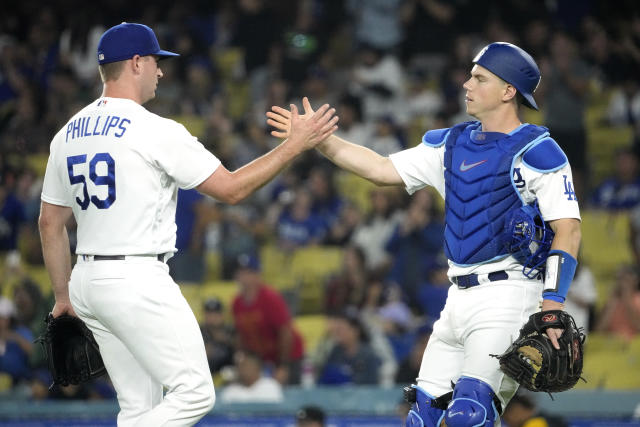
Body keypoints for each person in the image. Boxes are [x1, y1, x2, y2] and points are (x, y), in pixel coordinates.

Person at [38, 22, 338, 426]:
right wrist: (293, 147)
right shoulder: (155, 129)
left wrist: (62, 296)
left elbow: (49, 223)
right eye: (157, 62)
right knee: (195, 393)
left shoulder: (66, 134)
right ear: (137, 63)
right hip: (136, 277)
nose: (161, 71)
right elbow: (231, 190)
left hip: (87, 281)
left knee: (139, 411)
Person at [267, 42, 581, 427]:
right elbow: (381, 169)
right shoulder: (450, 143)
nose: (466, 84)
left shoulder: (538, 150)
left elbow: (568, 229)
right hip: (457, 298)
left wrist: (553, 304)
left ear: (508, 91)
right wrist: (321, 140)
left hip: (510, 294)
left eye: (479, 78)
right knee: (422, 418)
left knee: (470, 415)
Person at [230, 252, 305, 385]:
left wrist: (283, 366)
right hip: (261, 358)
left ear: (257, 275)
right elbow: (240, 335)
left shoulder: (270, 298)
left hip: (287, 356)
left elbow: (285, 333)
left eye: (248, 273)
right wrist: (242, 360)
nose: (243, 277)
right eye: (241, 273)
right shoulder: (236, 303)